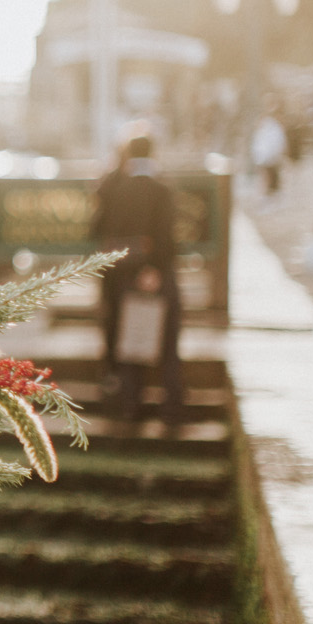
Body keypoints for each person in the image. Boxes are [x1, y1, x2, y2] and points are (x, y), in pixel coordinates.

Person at [90, 134, 183, 423]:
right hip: (154, 272)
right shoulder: (162, 189)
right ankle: (172, 407)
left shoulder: (113, 187)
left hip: (120, 272)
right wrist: (154, 269)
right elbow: (167, 235)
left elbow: (96, 230)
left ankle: (129, 405)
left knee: (129, 338)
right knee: (168, 340)